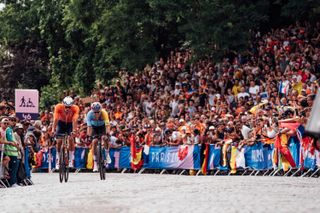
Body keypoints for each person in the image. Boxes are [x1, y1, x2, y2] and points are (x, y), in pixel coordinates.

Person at [52, 96, 80, 169]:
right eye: (66, 107)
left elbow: (74, 120)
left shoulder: (75, 108)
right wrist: (53, 129)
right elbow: (55, 119)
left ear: (72, 106)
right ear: (63, 104)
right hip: (61, 123)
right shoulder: (58, 107)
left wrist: (74, 131)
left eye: (69, 107)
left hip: (70, 124)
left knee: (71, 139)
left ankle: (70, 160)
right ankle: (58, 159)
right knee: (58, 142)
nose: (67, 108)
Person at [86, 102, 110, 172]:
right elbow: (89, 127)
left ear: (100, 110)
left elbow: (107, 125)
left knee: (105, 138)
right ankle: (95, 163)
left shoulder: (104, 113)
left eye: (98, 112)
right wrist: (89, 136)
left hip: (102, 127)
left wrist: (107, 133)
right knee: (94, 141)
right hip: (94, 127)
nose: (96, 114)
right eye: (95, 112)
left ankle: (107, 154)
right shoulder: (89, 114)